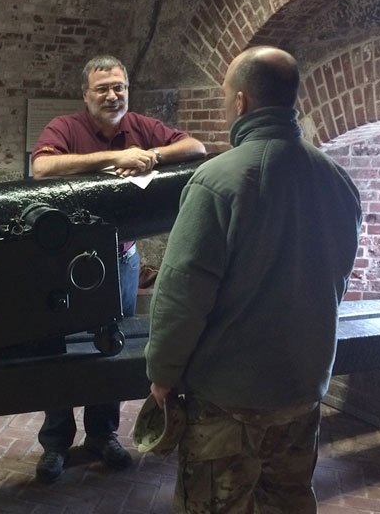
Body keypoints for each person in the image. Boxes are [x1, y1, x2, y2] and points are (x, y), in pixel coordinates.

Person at [145, 46, 362, 513]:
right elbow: (337, 279)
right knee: (287, 502)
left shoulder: (216, 181)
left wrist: (162, 373)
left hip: (228, 397)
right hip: (302, 387)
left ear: (240, 101)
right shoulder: (338, 180)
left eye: (226, 95)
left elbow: (182, 295)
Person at [30, 54, 206, 483]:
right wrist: (110, 159)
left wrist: (150, 155)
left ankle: (102, 433)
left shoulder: (142, 128)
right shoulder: (66, 129)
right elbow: (42, 167)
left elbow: (195, 148)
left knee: (111, 343)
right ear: (86, 95)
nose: (112, 96)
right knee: (61, 346)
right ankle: (56, 442)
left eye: (119, 88)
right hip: (69, 262)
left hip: (120, 258)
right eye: (103, 89)